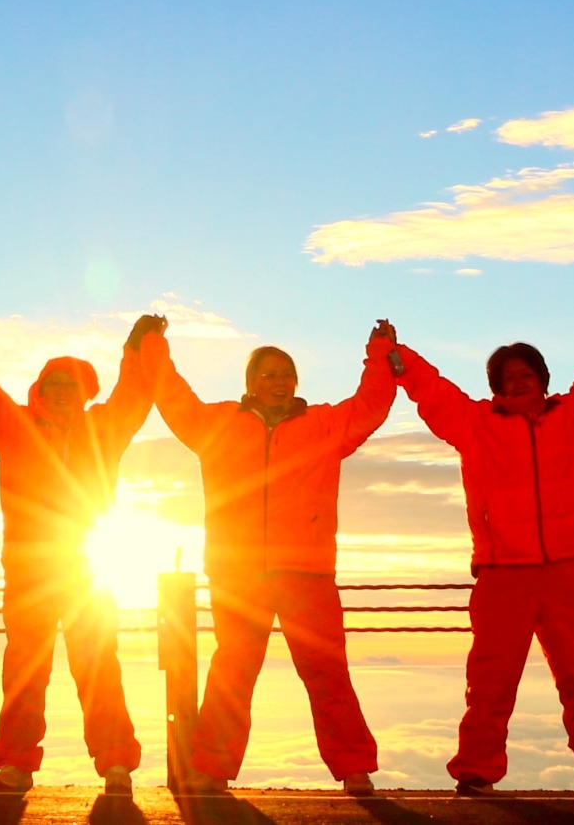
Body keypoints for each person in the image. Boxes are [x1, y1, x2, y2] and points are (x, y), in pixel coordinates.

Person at [146, 317, 399, 795]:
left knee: (326, 671)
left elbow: (370, 406)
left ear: (296, 381)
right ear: (250, 384)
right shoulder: (219, 424)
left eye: (286, 373)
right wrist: (153, 346)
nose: (279, 381)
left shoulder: (323, 425)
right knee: (233, 670)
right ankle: (212, 768)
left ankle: (354, 769)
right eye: (268, 374)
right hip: (238, 572)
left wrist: (381, 352)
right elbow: (174, 399)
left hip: (306, 570)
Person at [393, 304, 574, 796]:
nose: (519, 381)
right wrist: (396, 356)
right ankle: (477, 771)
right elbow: (434, 393)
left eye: (527, 373)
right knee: (490, 679)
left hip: (567, 567)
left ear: (544, 379)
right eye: (508, 376)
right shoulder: (475, 426)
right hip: (503, 571)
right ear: (495, 385)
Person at [0, 304, 167, 795]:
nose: (63, 392)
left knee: (98, 667)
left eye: (71, 384)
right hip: (31, 572)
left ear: (85, 391)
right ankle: (16, 763)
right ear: (40, 391)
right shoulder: (16, 427)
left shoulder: (104, 429)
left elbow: (134, 393)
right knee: (25, 670)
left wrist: (137, 346)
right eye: (54, 383)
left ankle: (116, 763)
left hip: (90, 570)